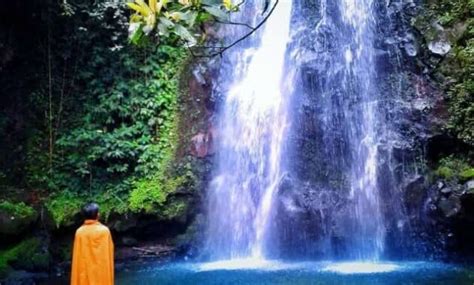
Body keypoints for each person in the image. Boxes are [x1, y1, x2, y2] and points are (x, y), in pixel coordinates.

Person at [71, 203, 114, 285]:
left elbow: (78, 258)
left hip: (85, 273)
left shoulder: (80, 232)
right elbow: (108, 253)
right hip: (101, 273)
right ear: (97, 215)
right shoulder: (104, 231)